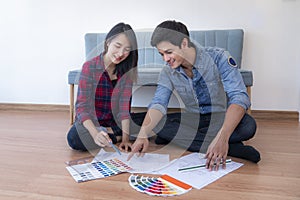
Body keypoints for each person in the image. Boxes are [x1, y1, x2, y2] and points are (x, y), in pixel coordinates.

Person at [128, 20, 260, 170]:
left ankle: (210, 140)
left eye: (169, 52)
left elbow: (239, 97)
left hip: (219, 117)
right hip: (193, 119)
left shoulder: (219, 58)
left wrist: (222, 136)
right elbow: (159, 102)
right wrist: (143, 135)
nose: (165, 59)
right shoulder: (167, 71)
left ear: (184, 43)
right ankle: (232, 148)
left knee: (248, 126)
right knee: (157, 124)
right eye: (161, 54)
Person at [67, 22, 145, 152]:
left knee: (154, 121)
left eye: (127, 50)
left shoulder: (126, 72)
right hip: (92, 123)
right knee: (74, 138)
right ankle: (113, 135)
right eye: (118, 46)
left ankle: (113, 134)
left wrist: (125, 140)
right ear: (108, 42)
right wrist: (95, 134)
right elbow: (82, 107)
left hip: (115, 122)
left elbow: (124, 109)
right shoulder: (90, 67)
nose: (121, 53)